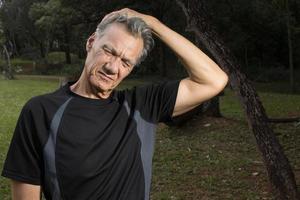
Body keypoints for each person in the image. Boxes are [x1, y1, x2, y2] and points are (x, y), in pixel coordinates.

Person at [1, 8, 228, 200]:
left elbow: (214, 80)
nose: (113, 68)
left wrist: (153, 23)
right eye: (108, 51)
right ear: (91, 43)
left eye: (126, 62)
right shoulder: (41, 111)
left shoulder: (142, 106)